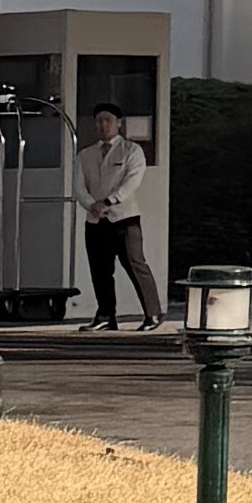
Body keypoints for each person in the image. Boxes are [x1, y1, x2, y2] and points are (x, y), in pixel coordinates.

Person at [76, 105, 162, 333]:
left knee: (135, 264)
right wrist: (92, 205)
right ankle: (105, 316)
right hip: (95, 220)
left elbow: (132, 181)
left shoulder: (131, 150)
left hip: (124, 218)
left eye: (108, 120)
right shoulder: (85, 154)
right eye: (99, 121)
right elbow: (79, 186)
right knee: (100, 270)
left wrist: (110, 201)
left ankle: (152, 313)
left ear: (119, 123)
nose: (103, 125)